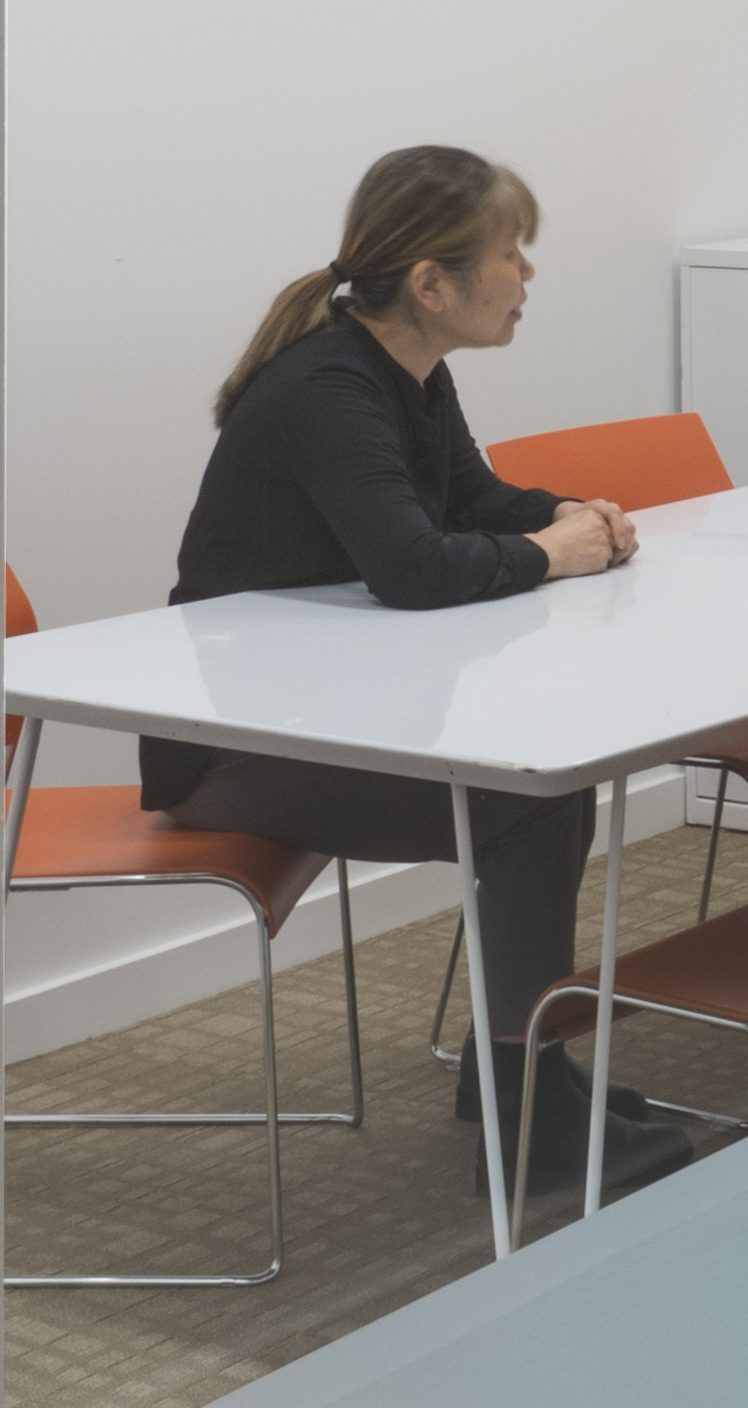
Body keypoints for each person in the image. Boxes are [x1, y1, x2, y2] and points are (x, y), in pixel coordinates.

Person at [141, 144, 695, 1198]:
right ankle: (525, 1109)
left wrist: (566, 515)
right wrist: (552, 553)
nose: (527, 275)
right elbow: (410, 568)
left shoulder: (406, 373)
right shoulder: (327, 388)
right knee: (530, 802)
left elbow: (470, 504)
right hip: (238, 746)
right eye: (510, 254)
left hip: (325, 708)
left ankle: (518, 1074)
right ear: (432, 284)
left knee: (544, 786)